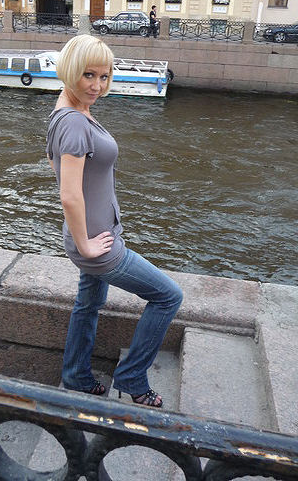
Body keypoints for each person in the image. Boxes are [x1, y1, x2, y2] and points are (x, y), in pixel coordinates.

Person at [46, 34, 183, 407]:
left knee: (88, 304)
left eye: (104, 76)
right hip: (97, 244)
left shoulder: (66, 110)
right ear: (71, 71)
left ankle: (76, 375)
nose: (97, 85)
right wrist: (86, 244)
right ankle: (132, 377)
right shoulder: (74, 122)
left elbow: (55, 163)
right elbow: (69, 193)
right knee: (168, 296)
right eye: (88, 75)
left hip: (92, 234)